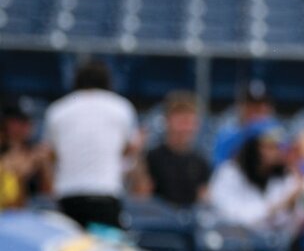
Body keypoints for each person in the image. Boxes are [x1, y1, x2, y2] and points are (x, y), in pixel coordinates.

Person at [43, 60, 140, 230]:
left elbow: (49, 154)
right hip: (104, 194)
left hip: (68, 196)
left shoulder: (58, 109)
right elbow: (129, 150)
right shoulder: (121, 107)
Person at [207, 123, 301, 234]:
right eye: (269, 146)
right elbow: (234, 218)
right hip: (232, 242)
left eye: (278, 147)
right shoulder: (228, 173)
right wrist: (279, 205)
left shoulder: (285, 177)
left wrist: (293, 205)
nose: (275, 152)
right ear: (252, 147)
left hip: (273, 245)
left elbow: (289, 225)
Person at [141, 92, 212, 208]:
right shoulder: (152, 158)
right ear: (168, 121)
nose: (185, 128)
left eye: (190, 122)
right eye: (181, 121)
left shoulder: (201, 161)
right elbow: (143, 197)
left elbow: (203, 198)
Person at [211, 80, 275, 166]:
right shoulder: (227, 135)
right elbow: (218, 169)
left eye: (260, 106)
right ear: (241, 107)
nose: (256, 111)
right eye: (251, 106)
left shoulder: (278, 135)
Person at [0, 102, 47, 210]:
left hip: (31, 211)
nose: (25, 127)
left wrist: (44, 165)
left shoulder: (37, 153)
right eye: (19, 121)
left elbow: (48, 194)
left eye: (28, 122)